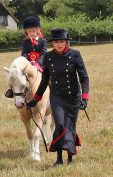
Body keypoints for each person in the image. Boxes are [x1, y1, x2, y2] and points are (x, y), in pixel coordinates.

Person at [27, 28, 89, 166]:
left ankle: (70, 158)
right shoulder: (48, 57)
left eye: (61, 41)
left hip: (73, 97)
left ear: (66, 42)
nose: (59, 44)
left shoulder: (75, 55)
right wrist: (35, 99)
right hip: (57, 97)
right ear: (52, 43)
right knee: (60, 124)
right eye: (56, 42)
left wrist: (84, 98)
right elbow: (44, 81)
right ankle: (59, 159)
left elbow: (84, 78)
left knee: (70, 126)